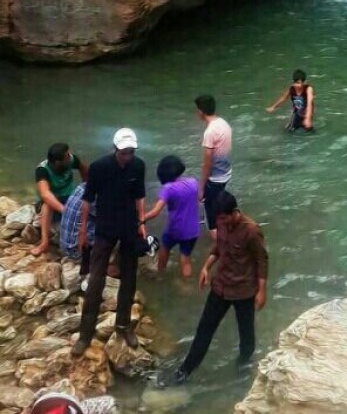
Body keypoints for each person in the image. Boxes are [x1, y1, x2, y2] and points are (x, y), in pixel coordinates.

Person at [170, 192, 268, 383]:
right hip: (221, 286)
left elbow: (262, 260)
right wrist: (206, 267)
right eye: (218, 219)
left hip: (243, 291)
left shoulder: (252, 231)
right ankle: (184, 372)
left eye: (224, 218)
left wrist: (262, 291)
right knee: (204, 330)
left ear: (235, 213)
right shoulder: (221, 224)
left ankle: (244, 367)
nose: (221, 222)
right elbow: (218, 249)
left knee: (246, 335)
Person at [73, 128, 146, 356]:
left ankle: (123, 326)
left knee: (129, 277)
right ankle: (86, 333)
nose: (128, 156)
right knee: (96, 279)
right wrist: (83, 230)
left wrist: (142, 222)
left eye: (131, 151)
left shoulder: (138, 166)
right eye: (124, 152)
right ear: (115, 149)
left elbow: (139, 196)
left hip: (128, 226)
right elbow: (87, 200)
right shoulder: (99, 167)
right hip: (105, 227)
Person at [143, 156, 201, 278]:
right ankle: (187, 286)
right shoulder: (193, 182)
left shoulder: (168, 188)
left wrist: (141, 219)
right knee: (185, 258)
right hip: (193, 230)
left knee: (165, 248)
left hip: (175, 229)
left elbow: (156, 211)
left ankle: (160, 275)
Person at [30, 143, 88, 257]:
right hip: (52, 200)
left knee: (88, 204)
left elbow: (84, 169)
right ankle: (44, 242)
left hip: (69, 197)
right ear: (57, 162)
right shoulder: (42, 170)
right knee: (47, 205)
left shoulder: (71, 160)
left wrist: (87, 186)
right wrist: (66, 211)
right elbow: (45, 194)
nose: (70, 157)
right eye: (67, 156)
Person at [196, 95, 232, 241]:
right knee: (219, 209)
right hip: (226, 174)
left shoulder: (210, 132)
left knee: (211, 220)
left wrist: (201, 188)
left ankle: (220, 248)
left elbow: (207, 164)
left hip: (215, 179)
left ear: (200, 111)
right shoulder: (223, 123)